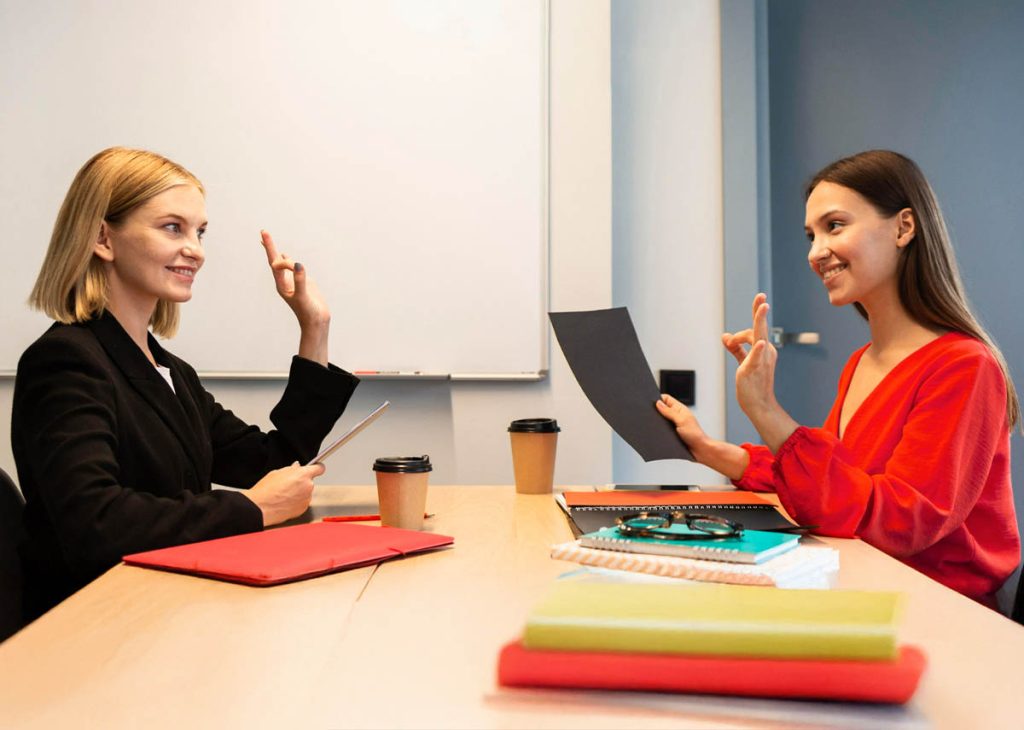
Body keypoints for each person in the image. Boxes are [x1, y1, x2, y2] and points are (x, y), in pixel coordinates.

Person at [656, 150, 1020, 608]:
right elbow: (835, 488)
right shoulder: (860, 362)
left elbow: (900, 523)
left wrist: (766, 411)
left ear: (904, 227)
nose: (815, 252)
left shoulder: (964, 366)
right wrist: (712, 451)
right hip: (865, 581)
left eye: (834, 226)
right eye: (811, 235)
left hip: (940, 607)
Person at [13, 147, 360, 618]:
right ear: (103, 238)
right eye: (172, 227)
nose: (195, 249)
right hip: (102, 622)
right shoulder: (65, 361)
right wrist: (251, 510)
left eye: (200, 232)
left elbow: (272, 460)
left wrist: (313, 328)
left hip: (169, 602)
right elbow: (95, 523)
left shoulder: (168, 369)